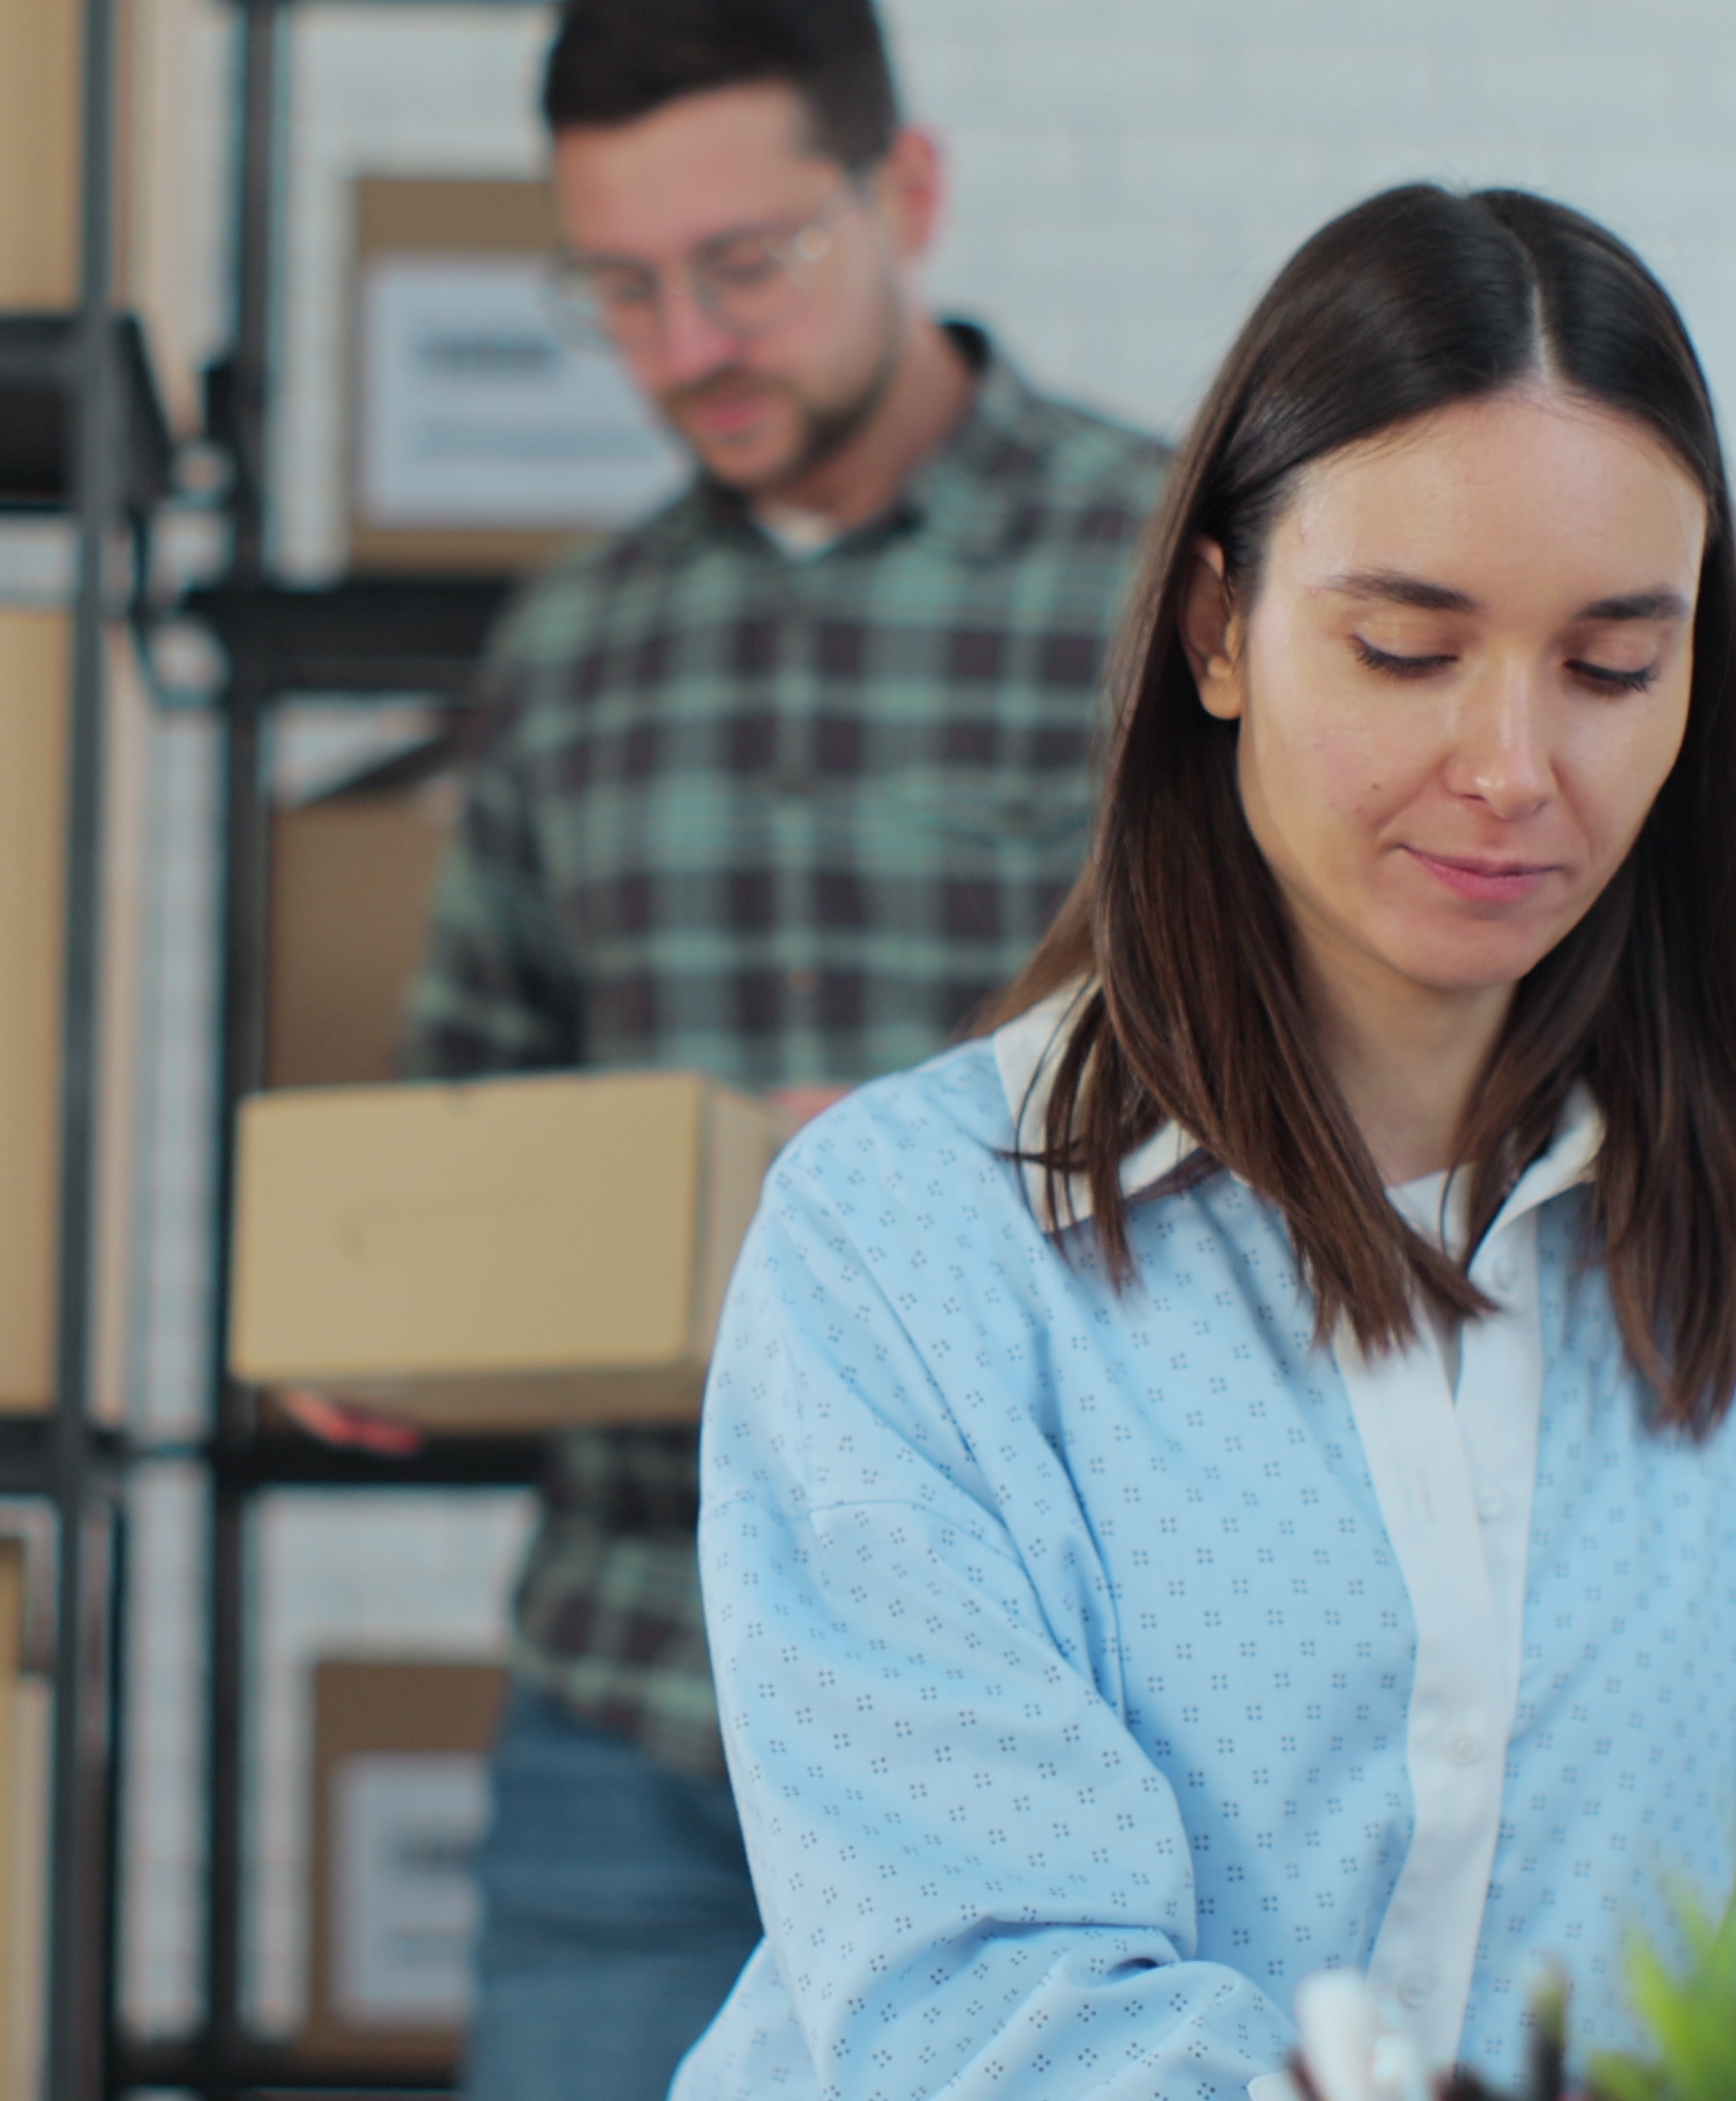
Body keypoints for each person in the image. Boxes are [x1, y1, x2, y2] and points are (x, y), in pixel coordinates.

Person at [673, 184, 1736, 2099]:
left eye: (1610, 667)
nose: (1509, 766)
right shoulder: (907, 1255)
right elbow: (989, 2016)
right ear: (1216, 630)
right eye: (1405, 647)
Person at [285, 3, 1170, 2097]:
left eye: (742, 265)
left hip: (1054, 1695)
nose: (682, 344)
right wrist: (386, 1284)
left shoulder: (1177, 582)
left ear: (907, 194)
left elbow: (1289, 1076)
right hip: (633, 1702)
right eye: (617, 287)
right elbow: (466, 1080)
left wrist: (904, 1162)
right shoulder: (572, 646)